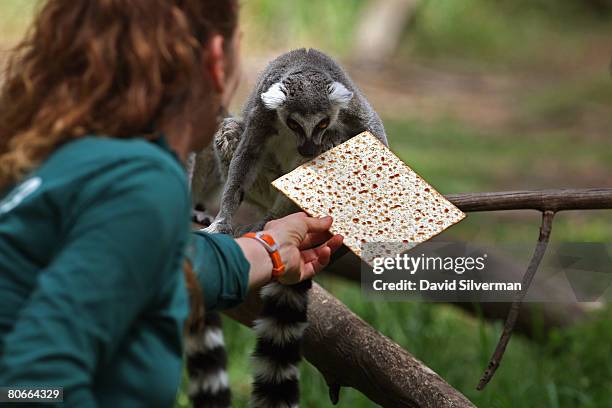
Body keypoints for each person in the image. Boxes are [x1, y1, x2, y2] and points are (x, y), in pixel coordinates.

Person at [0, 0, 343, 406]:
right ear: (216, 63)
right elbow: (31, 385)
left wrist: (269, 249)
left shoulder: (64, 156)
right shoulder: (139, 181)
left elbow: (141, 260)